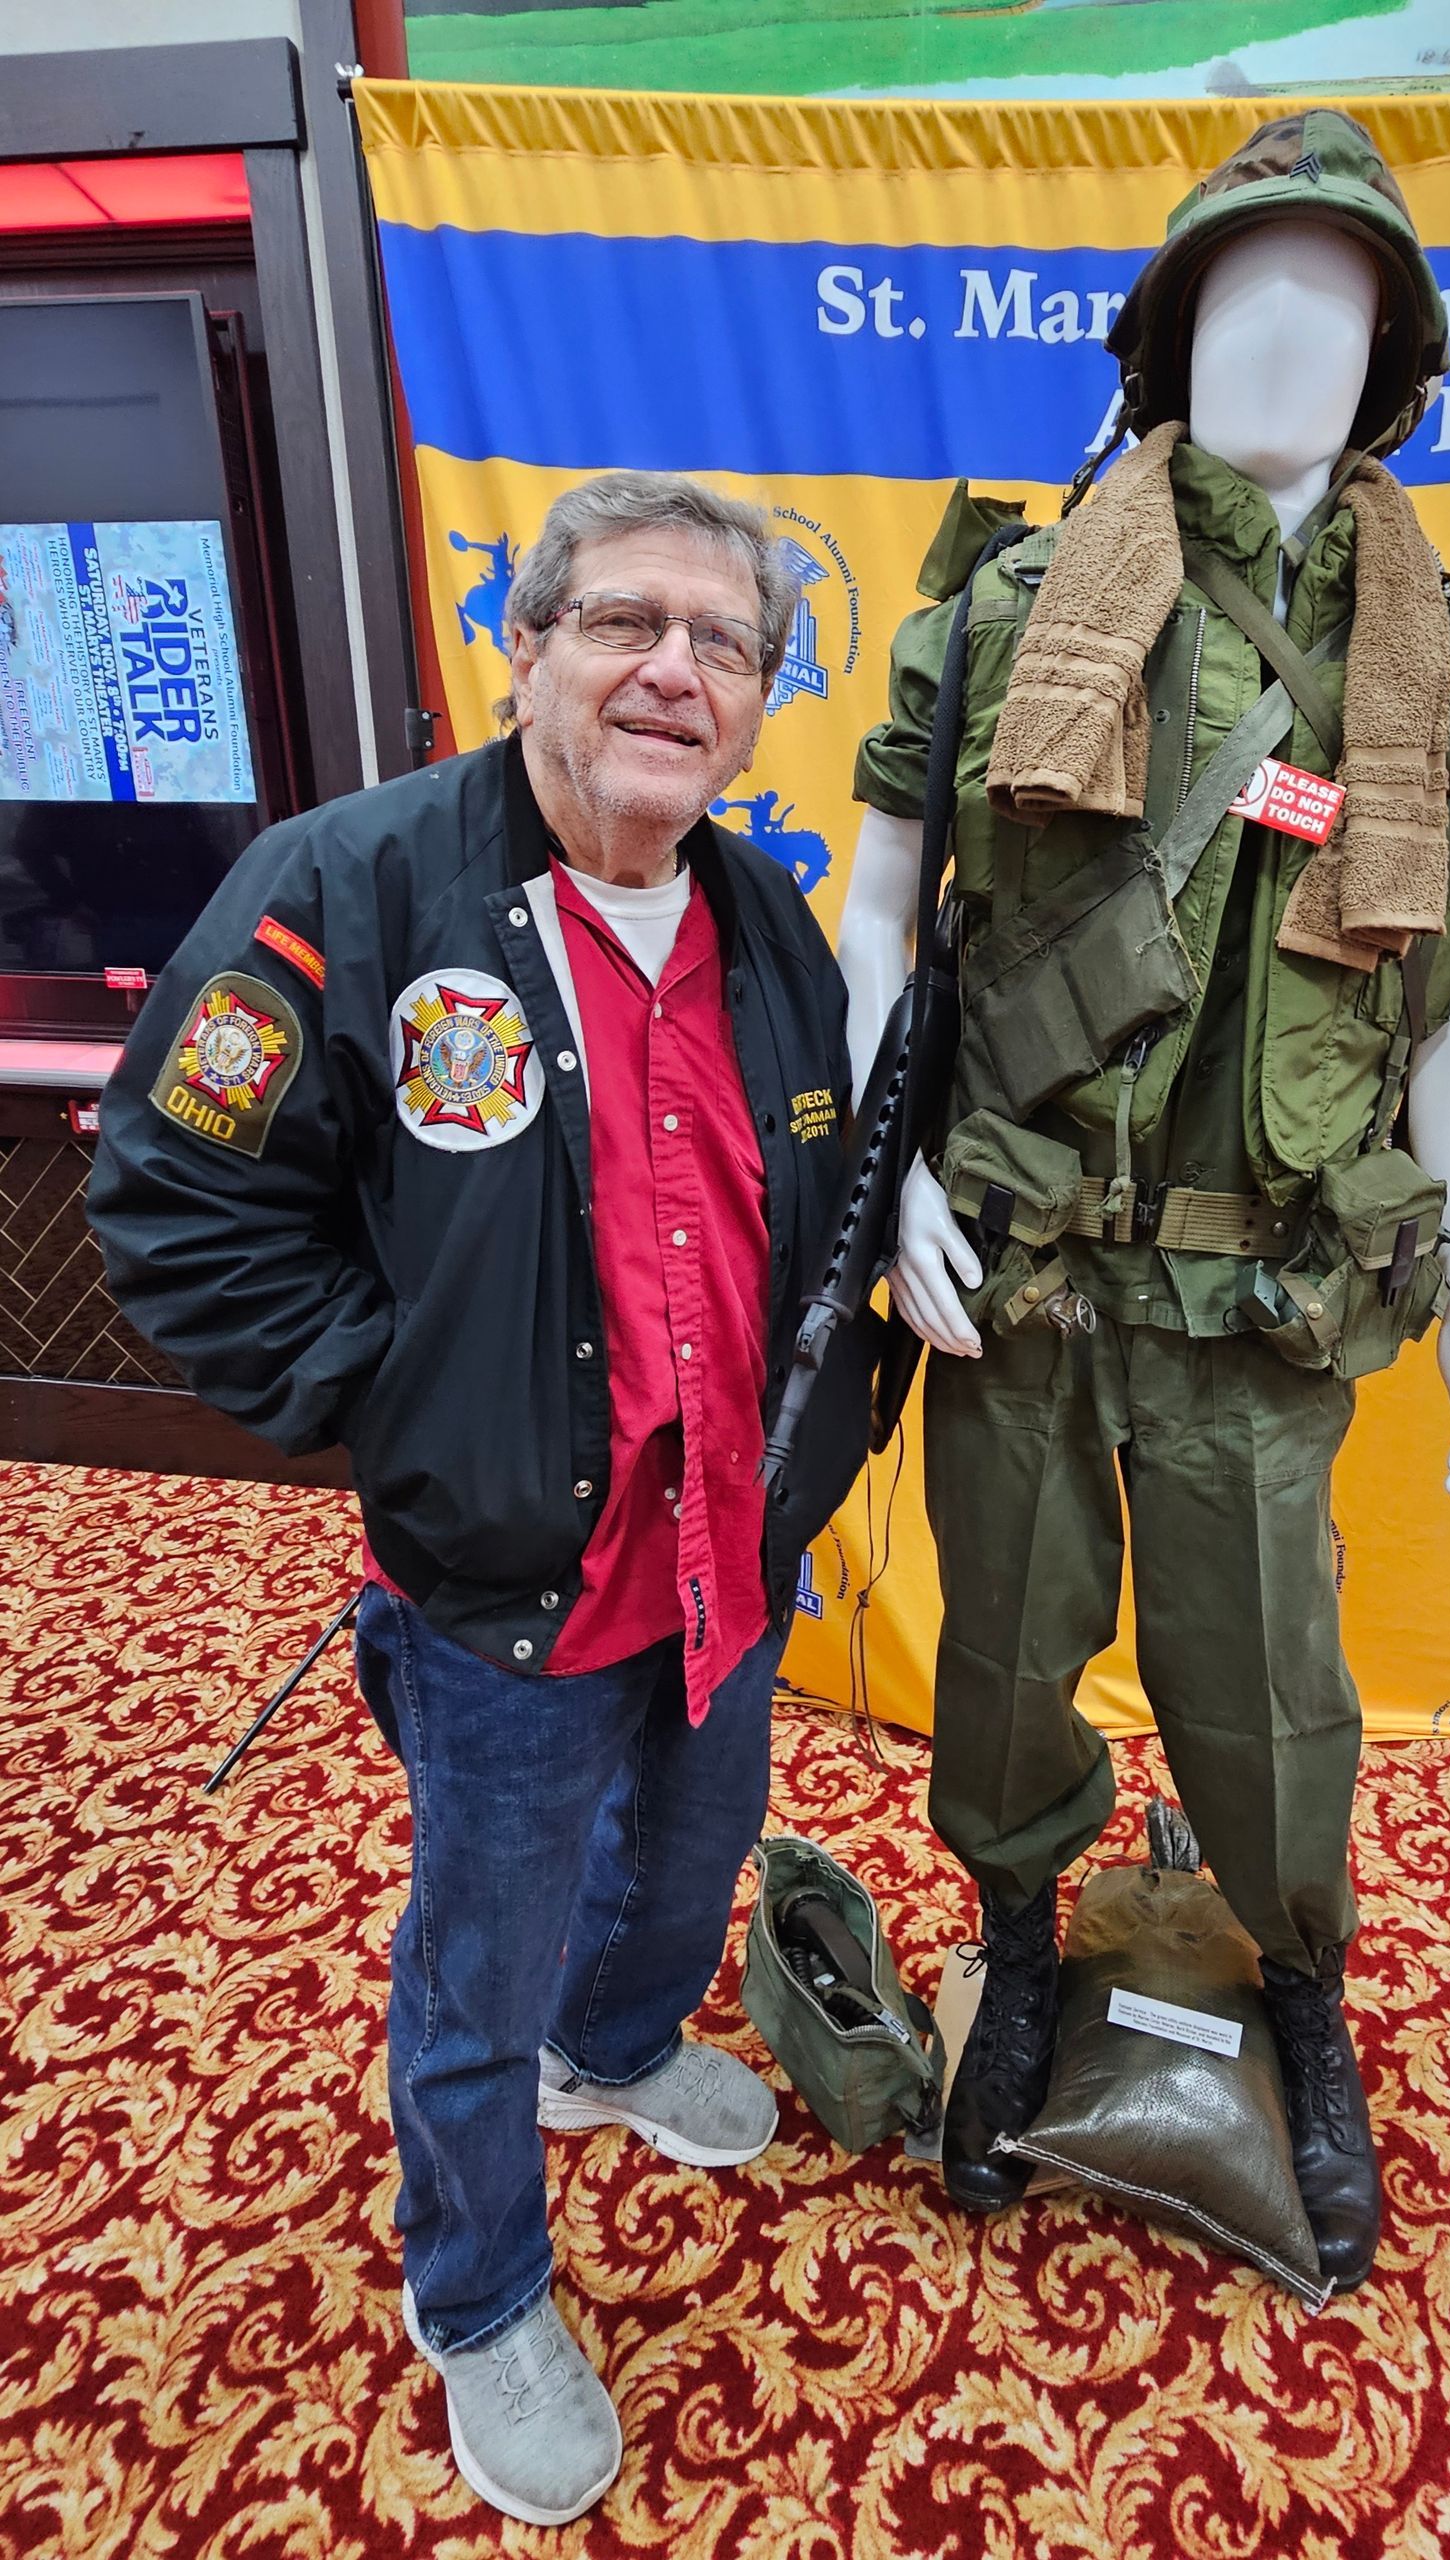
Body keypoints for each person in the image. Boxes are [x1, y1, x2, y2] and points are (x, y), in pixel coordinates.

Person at [89, 470, 868, 2527]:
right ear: (525, 646)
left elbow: (813, 1186)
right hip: (503, 1576)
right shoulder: (342, 889)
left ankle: (617, 2050)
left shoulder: (761, 916)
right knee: (475, 1960)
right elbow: (170, 1193)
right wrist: (395, 1406)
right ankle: (481, 2284)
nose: (672, 673)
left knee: (689, 1869)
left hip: (725, 1546)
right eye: (625, 621)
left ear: (760, 699)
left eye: (723, 645)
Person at [837, 113, 1450, 2293]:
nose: (1289, 339)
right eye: (1246, 293)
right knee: (1013, 1651)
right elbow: (880, 914)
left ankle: (1300, 1986)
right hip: (1023, 1265)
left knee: (1264, 1686)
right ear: (1169, 332)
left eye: (1338, 304)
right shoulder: (1017, 608)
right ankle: (1019, 1943)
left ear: (1393, 365)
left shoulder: (1437, 650)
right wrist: (880, 1199)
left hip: (1268, 1282)